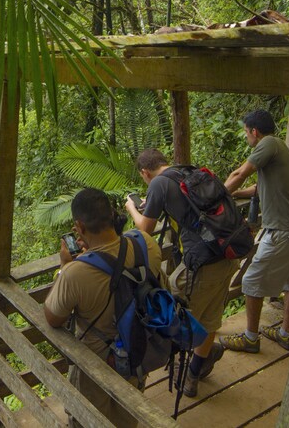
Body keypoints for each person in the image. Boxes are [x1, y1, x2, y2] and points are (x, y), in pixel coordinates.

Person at [44, 188, 162, 427]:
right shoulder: (145, 243)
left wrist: (64, 267)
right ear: (111, 214)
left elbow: (52, 317)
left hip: (95, 364)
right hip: (137, 349)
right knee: (127, 416)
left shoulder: (75, 273)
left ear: (79, 226)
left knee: (86, 418)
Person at [125, 149, 236, 398]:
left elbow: (145, 228)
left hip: (202, 264)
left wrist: (132, 208)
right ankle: (195, 372)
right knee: (209, 318)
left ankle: (175, 364)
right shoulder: (189, 171)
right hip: (227, 254)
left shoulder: (158, 184)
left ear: (145, 172)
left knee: (170, 310)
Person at [220, 109, 289, 353]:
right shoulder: (278, 147)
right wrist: (236, 193)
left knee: (250, 281)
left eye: (246, 133)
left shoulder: (267, 144)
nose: (246, 137)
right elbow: (259, 187)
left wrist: (215, 196)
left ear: (254, 131)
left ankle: (250, 338)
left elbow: (240, 173)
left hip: (283, 230)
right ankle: (285, 334)